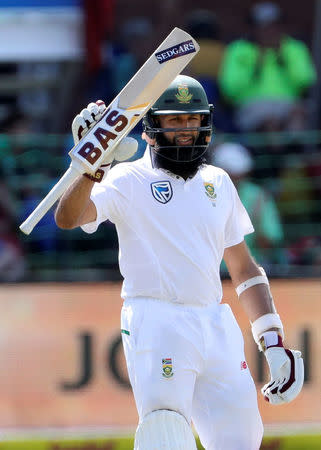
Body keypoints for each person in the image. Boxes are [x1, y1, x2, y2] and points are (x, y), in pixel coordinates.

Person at [55, 75, 303, 450]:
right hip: (157, 320)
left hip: (215, 321)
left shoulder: (218, 181)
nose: (186, 130)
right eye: (175, 120)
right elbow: (68, 217)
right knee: (165, 435)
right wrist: (89, 166)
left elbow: (245, 269)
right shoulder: (127, 178)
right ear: (152, 126)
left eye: (193, 120)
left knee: (242, 440)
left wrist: (272, 341)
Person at [218, 1, 316, 134]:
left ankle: (294, 150)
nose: (268, 31)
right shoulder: (238, 49)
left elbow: (305, 81)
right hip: (252, 106)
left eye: (273, 26)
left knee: (298, 113)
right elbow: (229, 89)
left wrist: (283, 58)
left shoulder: (294, 48)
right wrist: (256, 64)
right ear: (253, 27)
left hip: (289, 104)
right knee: (270, 122)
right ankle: (276, 148)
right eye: (263, 27)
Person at [214, 142, 284, 267]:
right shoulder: (204, 193)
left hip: (249, 269)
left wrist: (257, 221)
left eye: (240, 175)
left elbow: (269, 244)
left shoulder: (258, 196)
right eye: (231, 175)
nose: (236, 179)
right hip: (213, 270)